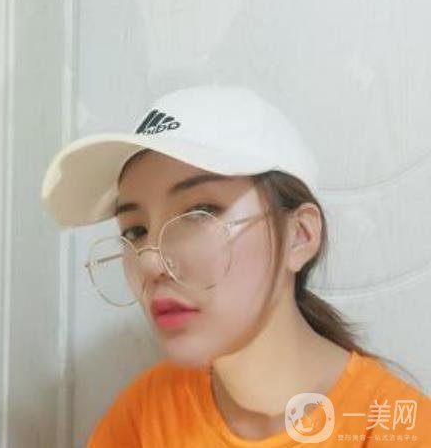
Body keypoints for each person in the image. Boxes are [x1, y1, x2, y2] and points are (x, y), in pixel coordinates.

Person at [41, 85, 431, 447]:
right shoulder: (145, 415)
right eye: (136, 230)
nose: (151, 261)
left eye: (198, 213)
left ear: (299, 236)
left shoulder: (397, 430)